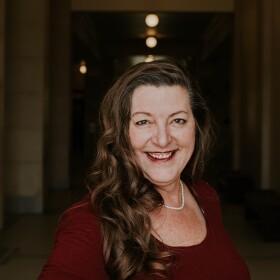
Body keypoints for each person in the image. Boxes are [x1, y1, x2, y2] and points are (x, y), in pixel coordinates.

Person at [38, 60, 250, 280]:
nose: (162, 139)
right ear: (120, 133)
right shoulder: (92, 222)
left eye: (177, 120)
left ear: (196, 127)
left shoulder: (204, 195)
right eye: (143, 122)